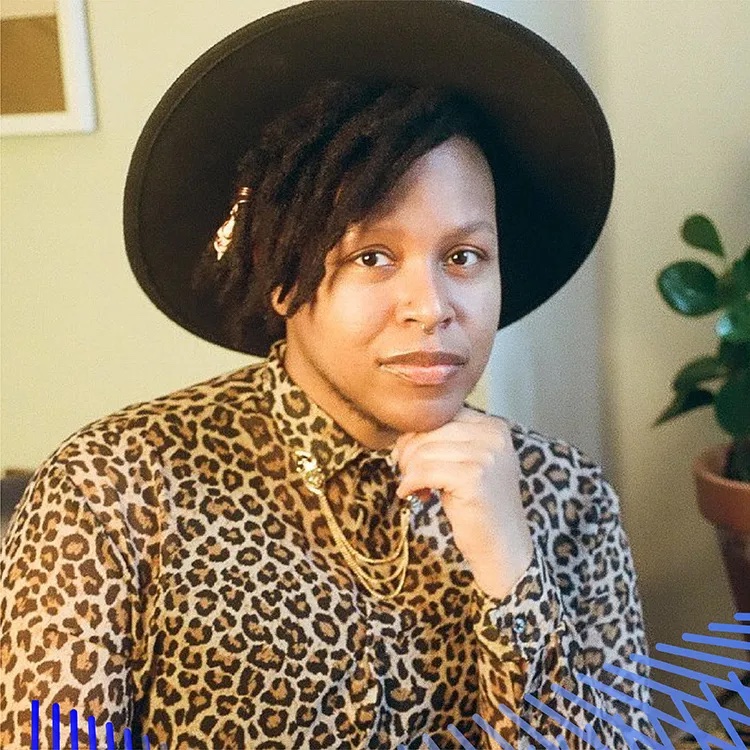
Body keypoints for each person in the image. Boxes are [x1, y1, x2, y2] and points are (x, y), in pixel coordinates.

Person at [1, 2, 655, 749]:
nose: (430, 306)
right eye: (372, 257)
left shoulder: (566, 500)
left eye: (463, 257)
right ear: (279, 278)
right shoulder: (116, 490)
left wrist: (511, 570)